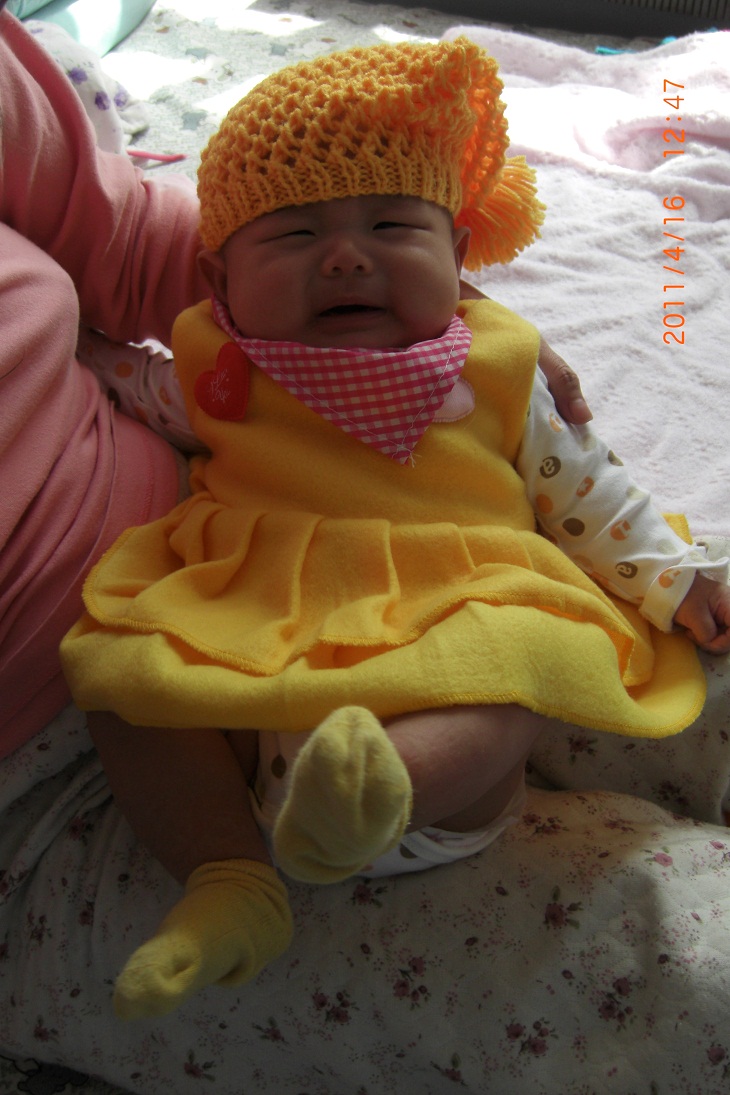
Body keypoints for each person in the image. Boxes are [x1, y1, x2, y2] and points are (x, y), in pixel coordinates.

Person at [58, 37, 730, 1026]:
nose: (344, 255)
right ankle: (227, 881)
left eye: (390, 225)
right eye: (293, 235)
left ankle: (384, 788)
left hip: (455, 612)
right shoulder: (218, 368)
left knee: (533, 655)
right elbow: (129, 380)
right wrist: (69, 337)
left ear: (459, 254)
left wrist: (673, 578)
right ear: (217, 278)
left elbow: (587, 493)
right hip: (260, 622)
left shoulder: (497, 367)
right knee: (122, 678)